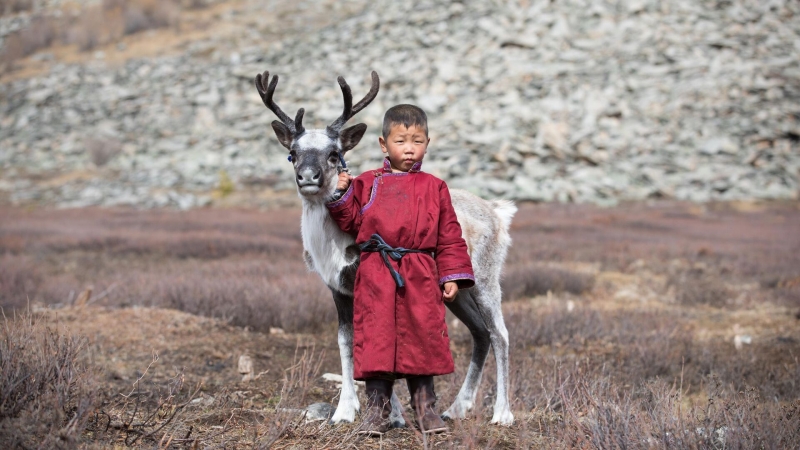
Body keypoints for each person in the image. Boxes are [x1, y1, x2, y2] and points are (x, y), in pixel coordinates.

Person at [326, 104, 475, 436]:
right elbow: (351, 221)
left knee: (422, 338)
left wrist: (452, 274)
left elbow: (449, 234)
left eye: (418, 141)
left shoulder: (435, 187)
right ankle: (376, 414)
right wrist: (341, 193)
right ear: (383, 145)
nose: (410, 148)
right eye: (401, 141)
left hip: (420, 272)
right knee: (376, 340)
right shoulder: (366, 183)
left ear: (428, 143)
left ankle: (426, 411)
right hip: (377, 274)